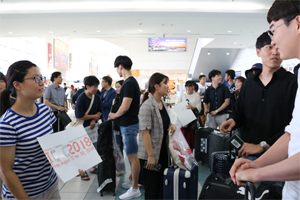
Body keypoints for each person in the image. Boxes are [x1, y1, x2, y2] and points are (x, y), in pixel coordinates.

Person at [229, 2, 300, 199]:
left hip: (283, 172)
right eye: (269, 46)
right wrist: (256, 164)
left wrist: (257, 170)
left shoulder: (291, 81)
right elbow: (292, 132)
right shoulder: (250, 84)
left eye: (274, 30)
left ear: (297, 23)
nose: (275, 46)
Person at [221, 31, 297, 159]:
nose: (275, 52)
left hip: (279, 156)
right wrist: (232, 120)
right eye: (269, 47)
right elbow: (239, 112)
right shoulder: (249, 83)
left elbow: (294, 125)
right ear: (258, 52)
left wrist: (263, 146)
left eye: (277, 47)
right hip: (247, 153)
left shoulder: (293, 83)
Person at [0, 60, 60, 199]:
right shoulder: (7, 124)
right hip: (25, 193)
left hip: (51, 185)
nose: (41, 83)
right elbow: (5, 172)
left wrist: (72, 164)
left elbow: (51, 146)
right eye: (35, 79)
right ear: (17, 85)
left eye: (41, 78)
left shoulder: (45, 110)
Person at [138, 72, 176, 199]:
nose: (167, 86)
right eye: (165, 83)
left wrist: (172, 125)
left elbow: (164, 122)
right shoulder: (147, 106)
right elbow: (145, 132)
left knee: (161, 186)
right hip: (151, 155)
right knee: (152, 189)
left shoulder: (162, 104)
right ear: (156, 86)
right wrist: (150, 156)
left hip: (162, 153)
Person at [108, 55, 141, 200]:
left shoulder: (128, 83)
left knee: (132, 157)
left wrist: (114, 115)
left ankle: (135, 189)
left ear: (120, 66)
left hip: (128, 125)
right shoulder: (132, 82)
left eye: (116, 68)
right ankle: (134, 182)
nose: (116, 71)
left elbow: (125, 106)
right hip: (129, 124)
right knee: (131, 156)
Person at [75, 75, 102, 179]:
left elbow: (100, 111)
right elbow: (79, 115)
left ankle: (93, 167)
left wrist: (94, 120)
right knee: (82, 149)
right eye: (93, 86)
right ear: (87, 86)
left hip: (93, 127)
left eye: (96, 86)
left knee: (94, 147)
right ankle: (83, 171)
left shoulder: (97, 97)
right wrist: (94, 116)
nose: (96, 88)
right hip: (82, 127)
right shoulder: (81, 98)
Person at [177, 80, 201, 149]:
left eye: (192, 86)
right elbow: (178, 105)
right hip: (184, 119)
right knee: (183, 137)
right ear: (186, 87)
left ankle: (191, 154)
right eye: (189, 86)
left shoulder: (196, 96)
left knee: (191, 138)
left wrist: (192, 107)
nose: (191, 88)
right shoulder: (182, 96)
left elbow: (199, 108)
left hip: (192, 120)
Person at [111, 80, 124, 176]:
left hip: (123, 125)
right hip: (116, 126)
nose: (117, 89)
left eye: (119, 87)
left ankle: (121, 169)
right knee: (118, 147)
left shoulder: (125, 100)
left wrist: (114, 115)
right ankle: (119, 168)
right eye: (116, 87)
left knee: (121, 147)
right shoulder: (116, 98)